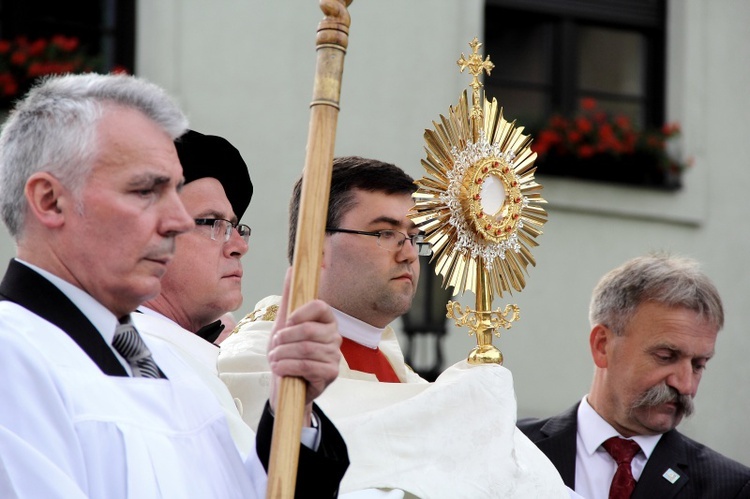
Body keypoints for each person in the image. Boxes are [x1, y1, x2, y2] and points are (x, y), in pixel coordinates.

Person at [0, 73, 348, 498]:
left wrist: (294, 409)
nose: (179, 221)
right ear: (50, 201)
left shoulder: (170, 363)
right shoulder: (12, 356)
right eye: (147, 190)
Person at [219, 156, 570, 498]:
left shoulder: (410, 381)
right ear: (316, 245)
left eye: (413, 236)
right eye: (385, 233)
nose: (408, 254)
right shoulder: (256, 360)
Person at [518, 254, 750, 498]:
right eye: (665, 356)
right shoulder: (512, 449)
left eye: (698, 365)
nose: (685, 385)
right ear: (602, 345)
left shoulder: (731, 489)